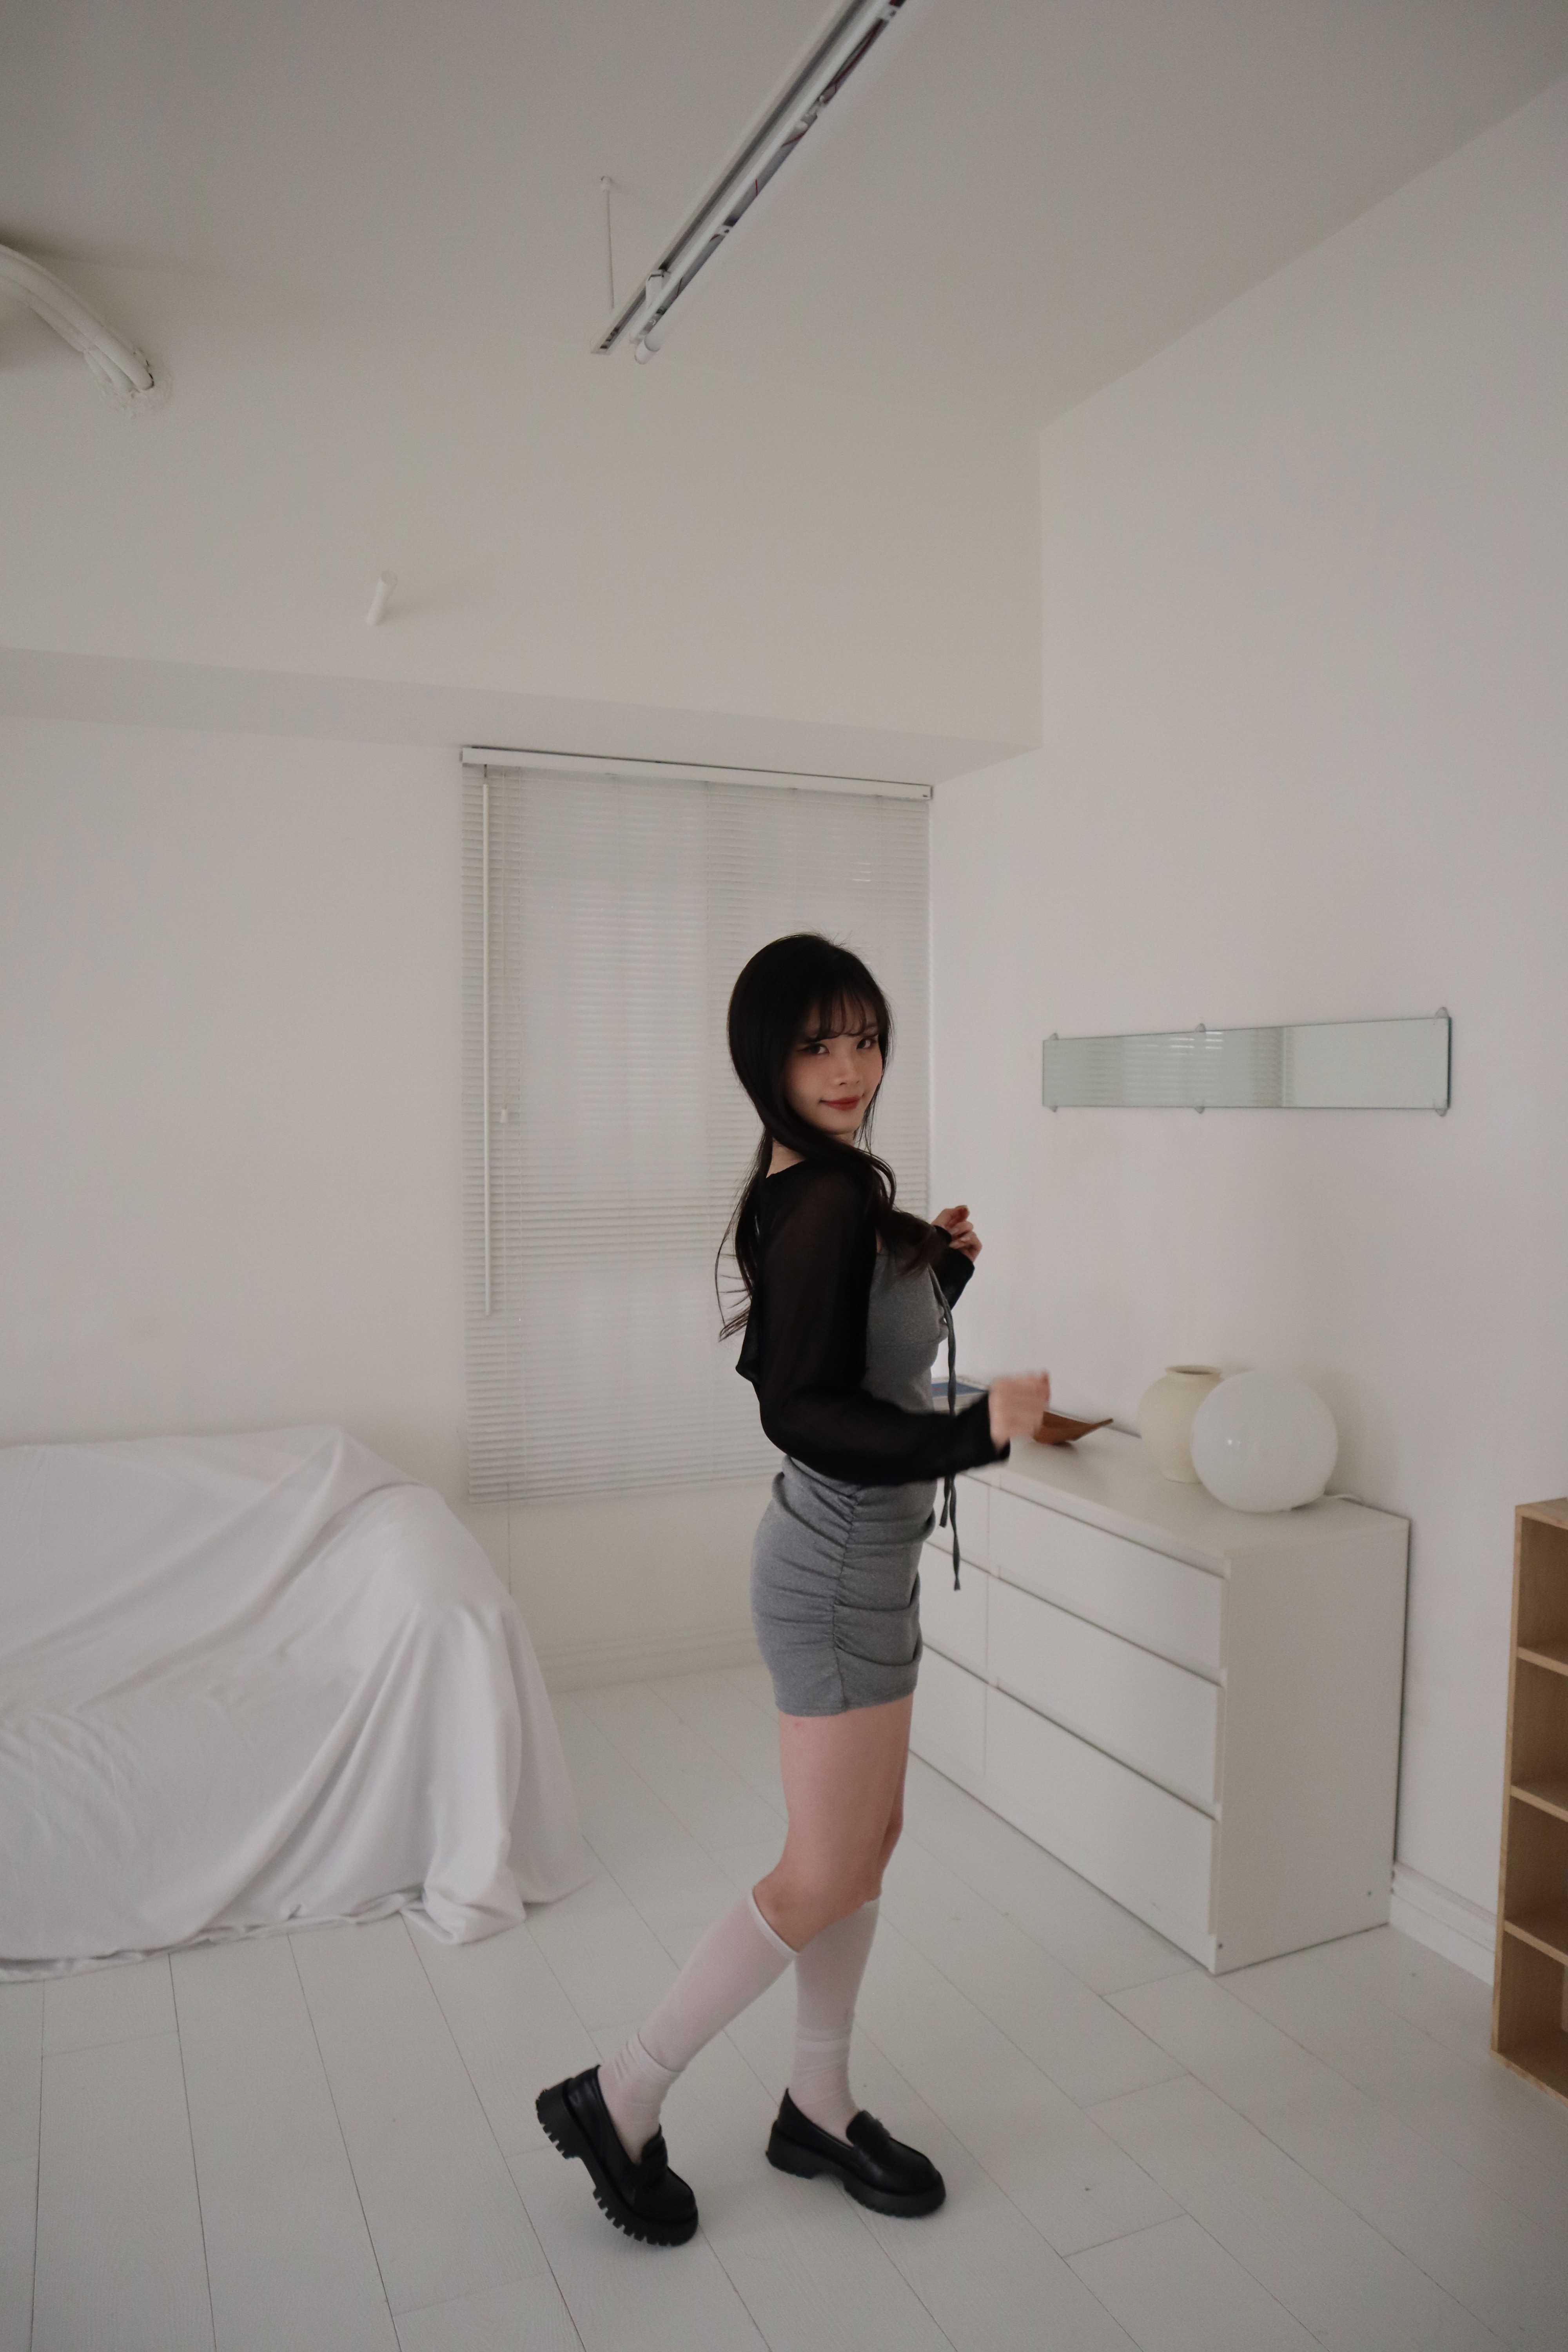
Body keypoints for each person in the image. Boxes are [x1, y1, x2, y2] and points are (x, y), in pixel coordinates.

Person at [537, 933, 1051, 2245]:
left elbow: (851, 1351)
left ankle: (817, 2103)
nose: (849, 1066)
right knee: (822, 1871)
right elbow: (803, 1409)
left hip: (865, 1564)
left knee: (865, 1848)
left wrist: (938, 1271)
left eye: (865, 1038)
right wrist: (977, 1430)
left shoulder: (826, 1183)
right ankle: (622, 2091)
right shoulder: (820, 1195)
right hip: (832, 1574)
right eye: (819, 1044)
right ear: (765, 1056)